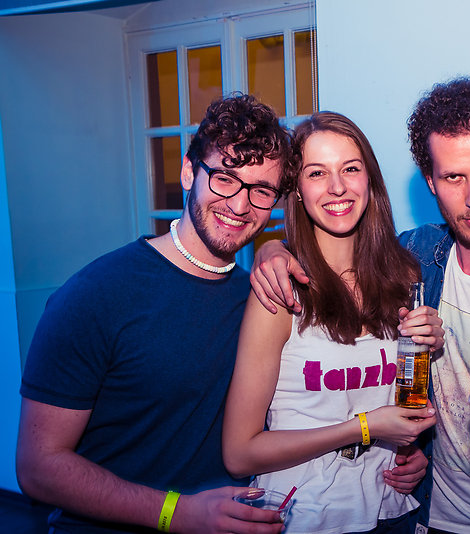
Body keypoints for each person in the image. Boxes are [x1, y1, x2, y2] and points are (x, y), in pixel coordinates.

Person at [249, 77, 470, 533]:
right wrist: (273, 249)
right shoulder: (410, 259)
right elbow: (338, 252)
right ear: (430, 182)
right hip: (420, 518)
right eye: (453, 177)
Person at [16, 94, 294, 534]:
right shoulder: (96, 294)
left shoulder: (261, 297)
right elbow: (39, 467)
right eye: (225, 178)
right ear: (188, 172)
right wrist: (177, 513)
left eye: (261, 191)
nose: (240, 206)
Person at [221, 111, 441, 534]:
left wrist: (408, 452)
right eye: (317, 173)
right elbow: (239, 452)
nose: (337, 187)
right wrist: (363, 429)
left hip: (390, 510)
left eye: (350, 169)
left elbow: (401, 406)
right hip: (305, 514)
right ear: (297, 191)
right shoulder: (279, 288)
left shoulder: (403, 277)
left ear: (370, 180)